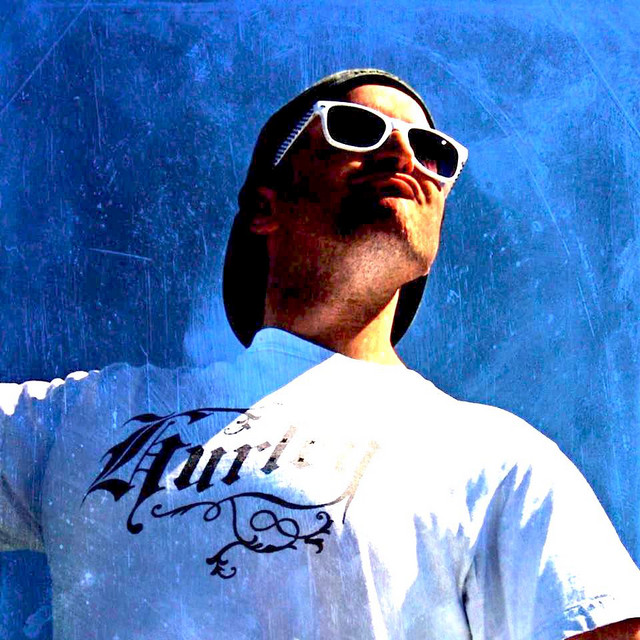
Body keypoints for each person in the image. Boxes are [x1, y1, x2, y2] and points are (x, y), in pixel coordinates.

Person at [1, 69, 639, 639]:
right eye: (357, 128)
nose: (402, 154)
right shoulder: (85, 418)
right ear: (264, 205)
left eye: (433, 151)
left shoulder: (500, 461)